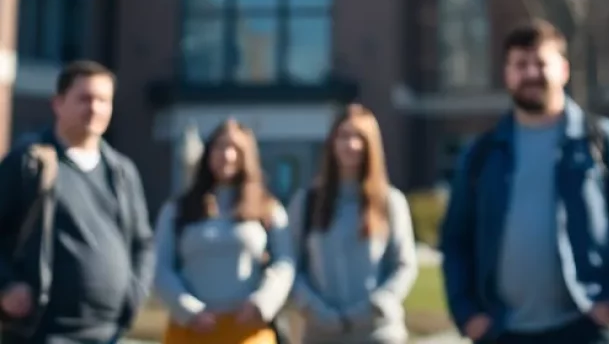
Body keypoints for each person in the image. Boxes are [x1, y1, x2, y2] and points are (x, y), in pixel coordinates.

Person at [440, 19, 609, 344]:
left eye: (541, 63)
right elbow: (455, 238)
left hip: (583, 329)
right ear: (507, 74)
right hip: (502, 332)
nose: (531, 73)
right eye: (520, 64)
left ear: (564, 70)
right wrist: (467, 314)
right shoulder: (482, 154)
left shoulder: (602, 141)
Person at [0, 59, 155, 344]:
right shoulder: (29, 163)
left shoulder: (122, 172)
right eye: (84, 98)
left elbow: (143, 243)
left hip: (109, 334)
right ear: (58, 103)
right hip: (43, 333)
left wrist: (133, 296)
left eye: (103, 100)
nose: (94, 108)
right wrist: (6, 285)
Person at [152, 118, 295, 344]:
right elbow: (161, 267)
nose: (227, 155)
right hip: (192, 330)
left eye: (236, 149)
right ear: (208, 152)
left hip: (247, 329)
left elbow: (285, 263)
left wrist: (262, 303)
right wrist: (189, 311)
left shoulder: (268, 208)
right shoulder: (178, 209)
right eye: (220, 147)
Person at [287, 104, 418, 344]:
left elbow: (404, 264)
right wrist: (314, 307)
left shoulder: (390, 202)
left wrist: (377, 304)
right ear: (332, 143)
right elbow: (292, 266)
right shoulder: (307, 202)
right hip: (321, 332)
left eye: (359, 137)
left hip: (377, 331)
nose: (351, 145)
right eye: (344, 136)